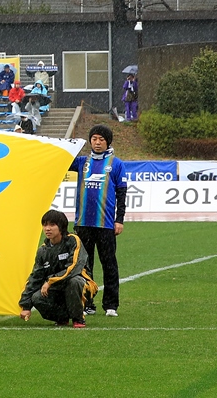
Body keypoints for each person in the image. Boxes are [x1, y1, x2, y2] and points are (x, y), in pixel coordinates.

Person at [69, 124, 127, 317]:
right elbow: (62, 160)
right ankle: (88, 303)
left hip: (106, 224)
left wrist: (119, 220)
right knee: (85, 266)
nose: (97, 142)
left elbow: (121, 194)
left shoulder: (116, 164)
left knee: (109, 264)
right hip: (83, 223)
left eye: (101, 139)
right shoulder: (82, 162)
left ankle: (111, 305)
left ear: (108, 142)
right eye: (94, 139)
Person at [19, 210, 98, 328]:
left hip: (82, 285)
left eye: (52, 225)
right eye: (45, 225)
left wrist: (50, 281)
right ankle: (61, 317)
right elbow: (35, 277)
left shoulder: (73, 240)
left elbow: (73, 268)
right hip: (57, 287)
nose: (47, 229)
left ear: (61, 227)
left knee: (74, 281)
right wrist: (26, 306)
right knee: (37, 297)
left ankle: (78, 318)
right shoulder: (43, 250)